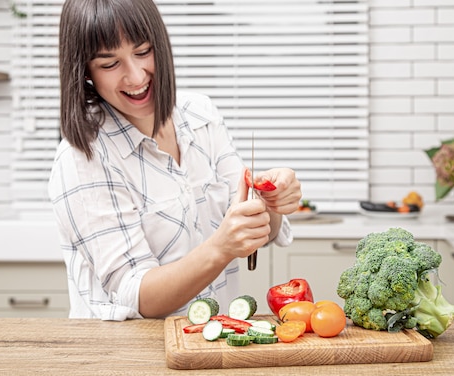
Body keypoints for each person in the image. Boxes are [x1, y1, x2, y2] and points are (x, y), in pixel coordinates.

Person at [49, 0, 302, 321]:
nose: (135, 75)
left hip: (210, 346)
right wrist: (221, 248)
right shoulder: (82, 157)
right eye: (110, 64)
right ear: (85, 71)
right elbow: (137, 295)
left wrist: (271, 203)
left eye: (142, 52)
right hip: (124, 358)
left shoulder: (200, 115)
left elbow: (251, 229)